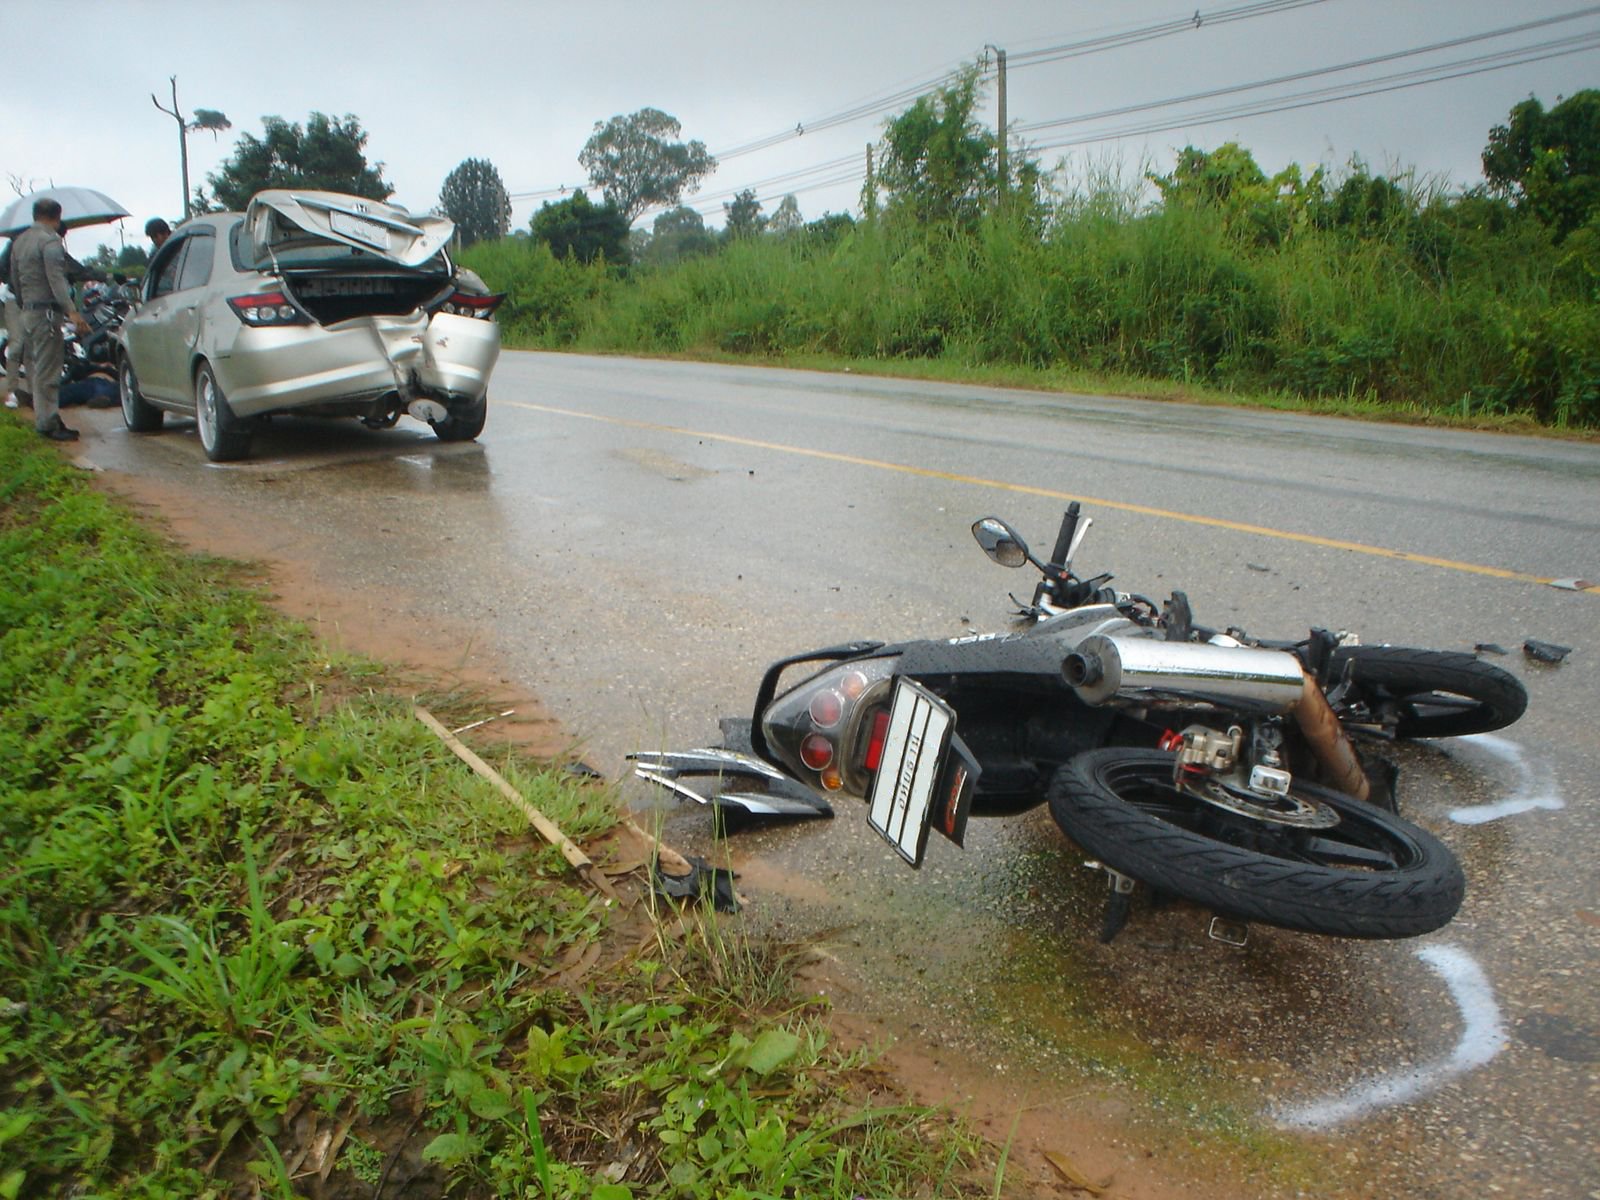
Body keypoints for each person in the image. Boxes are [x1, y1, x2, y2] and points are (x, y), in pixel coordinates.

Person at [10, 198, 91, 441]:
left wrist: (26, 304)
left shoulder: (19, 242)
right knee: (49, 371)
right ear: (57, 216)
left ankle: (44, 418)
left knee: (35, 368)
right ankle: (48, 423)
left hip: (28, 312)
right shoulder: (50, 241)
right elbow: (56, 279)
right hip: (47, 313)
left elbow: (14, 281)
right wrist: (72, 312)